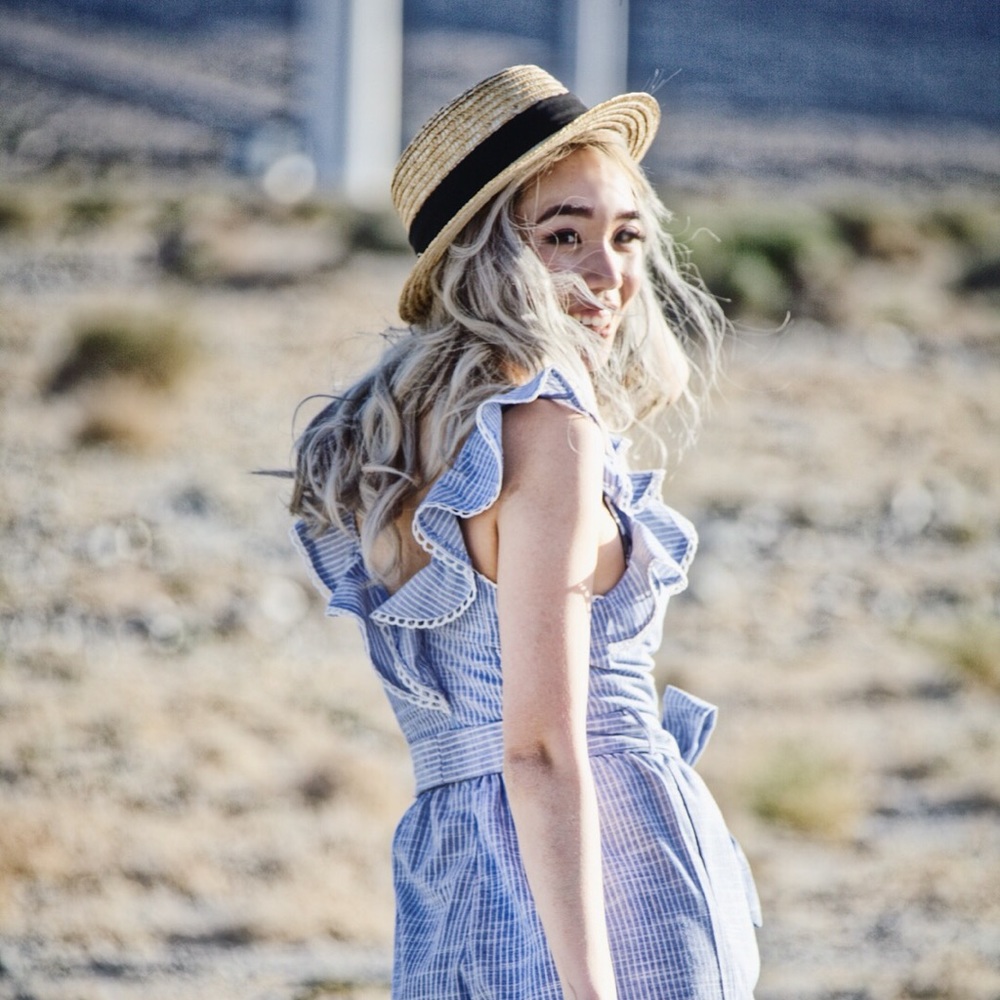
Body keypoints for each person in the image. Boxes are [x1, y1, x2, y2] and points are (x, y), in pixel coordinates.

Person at [288, 65, 761, 1000]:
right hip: (606, 886)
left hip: (451, 866)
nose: (608, 272)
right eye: (561, 235)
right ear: (485, 254)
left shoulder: (399, 432)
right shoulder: (548, 428)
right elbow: (540, 749)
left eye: (625, 235)